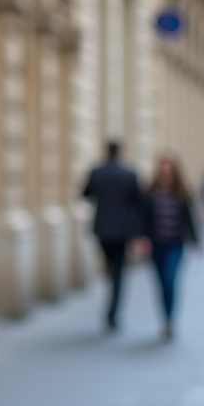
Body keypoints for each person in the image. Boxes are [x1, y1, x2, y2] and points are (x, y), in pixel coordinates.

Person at [82, 139, 144, 331]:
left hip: (103, 229)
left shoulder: (97, 172)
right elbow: (139, 203)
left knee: (110, 269)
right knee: (118, 273)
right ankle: (113, 312)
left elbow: (86, 194)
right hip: (122, 230)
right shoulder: (130, 173)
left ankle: (110, 306)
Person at [142, 156, 200, 340]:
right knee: (160, 283)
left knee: (170, 279)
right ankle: (165, 319)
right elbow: (143, 218)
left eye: (169, 170)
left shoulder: (183, 193)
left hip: (176, 243)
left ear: (175, 172)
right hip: (156, 244)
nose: (166, 173)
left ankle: (171, 320)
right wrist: (141, 238)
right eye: (163, 170)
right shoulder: (151, 192)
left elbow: (190, 219)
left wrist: (196, 241)